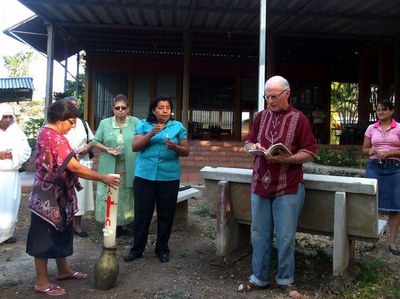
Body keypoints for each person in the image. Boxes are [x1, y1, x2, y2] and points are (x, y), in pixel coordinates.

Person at [26, 99, 120, 296]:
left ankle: (63, 270)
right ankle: (41, 282)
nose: (73, 127)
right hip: (49, 195)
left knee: (62, 230)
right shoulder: (55, 137)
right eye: (71, 122)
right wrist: (103, 178)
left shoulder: (47, 132)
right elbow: (74, 167)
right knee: (44, 237)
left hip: (58, 192)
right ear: (60, 119)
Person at [237, 76, 316, 298]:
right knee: (259, 233)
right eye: (267, 96)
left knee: (285, 236)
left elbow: (309, 152)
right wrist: (254, 147)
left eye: (274, 96)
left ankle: (285, 280)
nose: (269, 101)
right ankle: (259, 278)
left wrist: (285, 160)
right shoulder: (259, 117)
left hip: (287, 185)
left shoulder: (299, 119)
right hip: (260, 183)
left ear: (287, 94)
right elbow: (247, 143)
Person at [124, 96, 190, 263]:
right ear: (153, 110)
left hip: (169, 176)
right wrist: (151, 134)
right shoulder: (143, 125)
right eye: (161, 108)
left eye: (168, 107)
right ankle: (137, 249)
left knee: (166, 214)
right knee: (142, 213)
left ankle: (162, 249)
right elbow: (135, 146)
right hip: (144, 175)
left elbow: (186, 151)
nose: (165, 111)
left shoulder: (178, 126)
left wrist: (175, 147)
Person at [92, 94, 140, 236]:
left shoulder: (135, 122)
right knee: (110, 194)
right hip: (109, 165)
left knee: (126, 195)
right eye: (117, 108)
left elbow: (141, 138)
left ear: (128, 109)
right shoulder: (105, 123)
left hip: (128, 166)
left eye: (123, 108)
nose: (120, 110)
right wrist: (107, 149)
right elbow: (95, 141)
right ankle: (110, 223)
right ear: (113, 109)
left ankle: (124, 223)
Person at [362, 99, 400, 256]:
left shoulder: (398, 128)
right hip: (375, 167)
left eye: (384, 109)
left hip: (394, 168)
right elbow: (364, 148)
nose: (381, 112)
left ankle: (392, 242)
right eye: (378, 110)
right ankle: (371, 239)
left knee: (396, 205)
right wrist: (369, 151)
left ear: (392, 111)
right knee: (372, 202)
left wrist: (390, 152)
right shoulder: (371, 128)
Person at [63, 96, 95, 237]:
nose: (73, 107)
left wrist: (87, 148)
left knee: (80, 194)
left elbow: (92, 140)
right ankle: (63, 223)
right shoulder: (60, 122)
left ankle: (77, 224)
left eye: (76, 105)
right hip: (65, 163)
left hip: (82, 161)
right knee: (64, 192)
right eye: (71, 105)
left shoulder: (83, 123)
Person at [0, 104, 31, 244]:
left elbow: (26, 150)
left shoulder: (17, 133)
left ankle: (6, 233)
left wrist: (13, 154)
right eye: (4, 117)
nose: (7, 120)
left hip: (11, 175)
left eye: (9, 117)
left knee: (11, 203)